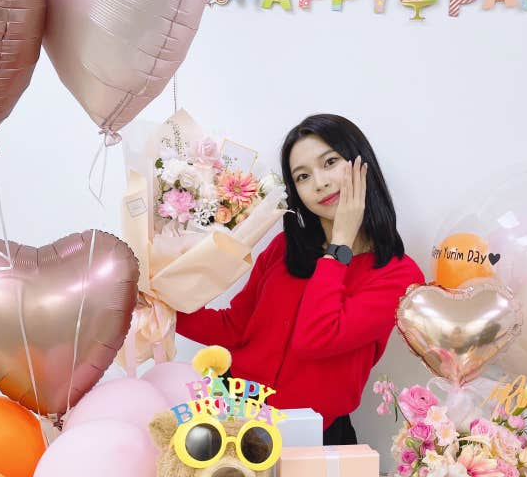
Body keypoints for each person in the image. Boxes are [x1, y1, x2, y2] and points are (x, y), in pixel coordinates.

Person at [176, 114, 424, 445]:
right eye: (303, 176)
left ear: (361, 164)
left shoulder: (399, 275)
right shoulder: (284, 248)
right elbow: (235, 327)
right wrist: (161, 305)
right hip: (235, 418)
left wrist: (340, 246)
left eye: (330, 162)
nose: (319, 183)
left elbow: (316, 338)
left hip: (314, 437)